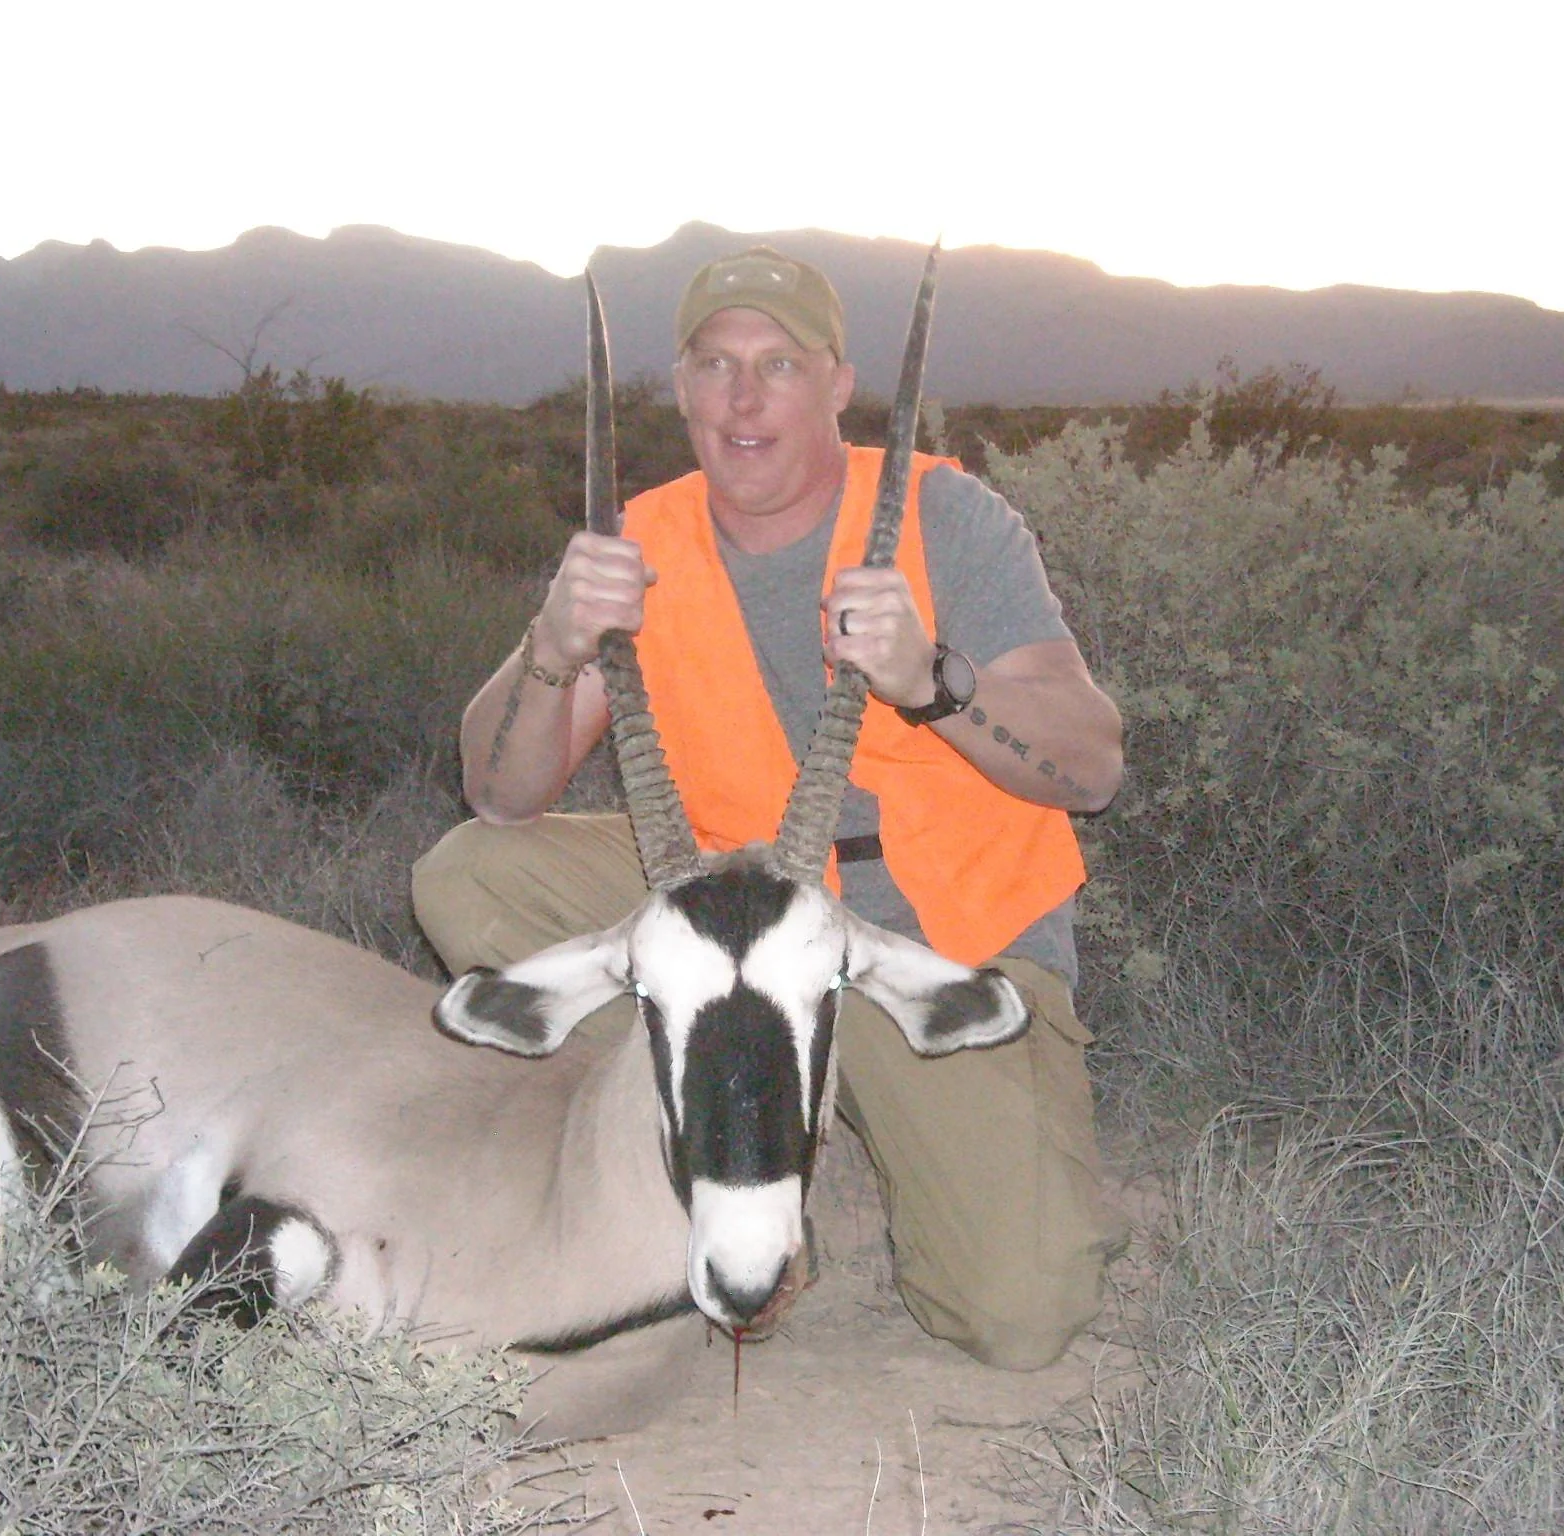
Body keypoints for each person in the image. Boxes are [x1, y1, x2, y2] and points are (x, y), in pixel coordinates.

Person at [412, 246, 1126, 1372]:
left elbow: (1089, 770)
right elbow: (499, 794)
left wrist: (935, 680)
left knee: (1017, 1313)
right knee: (467, 875)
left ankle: (830, 1117)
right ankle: (731, 1154)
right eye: (714, 365)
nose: (743, 400)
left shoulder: (949, 517)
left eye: (779, 366)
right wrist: (549, 650)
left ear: (837, 385)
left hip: (940, 946)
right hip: (735, 935)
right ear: (682, 386)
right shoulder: (641, 542)